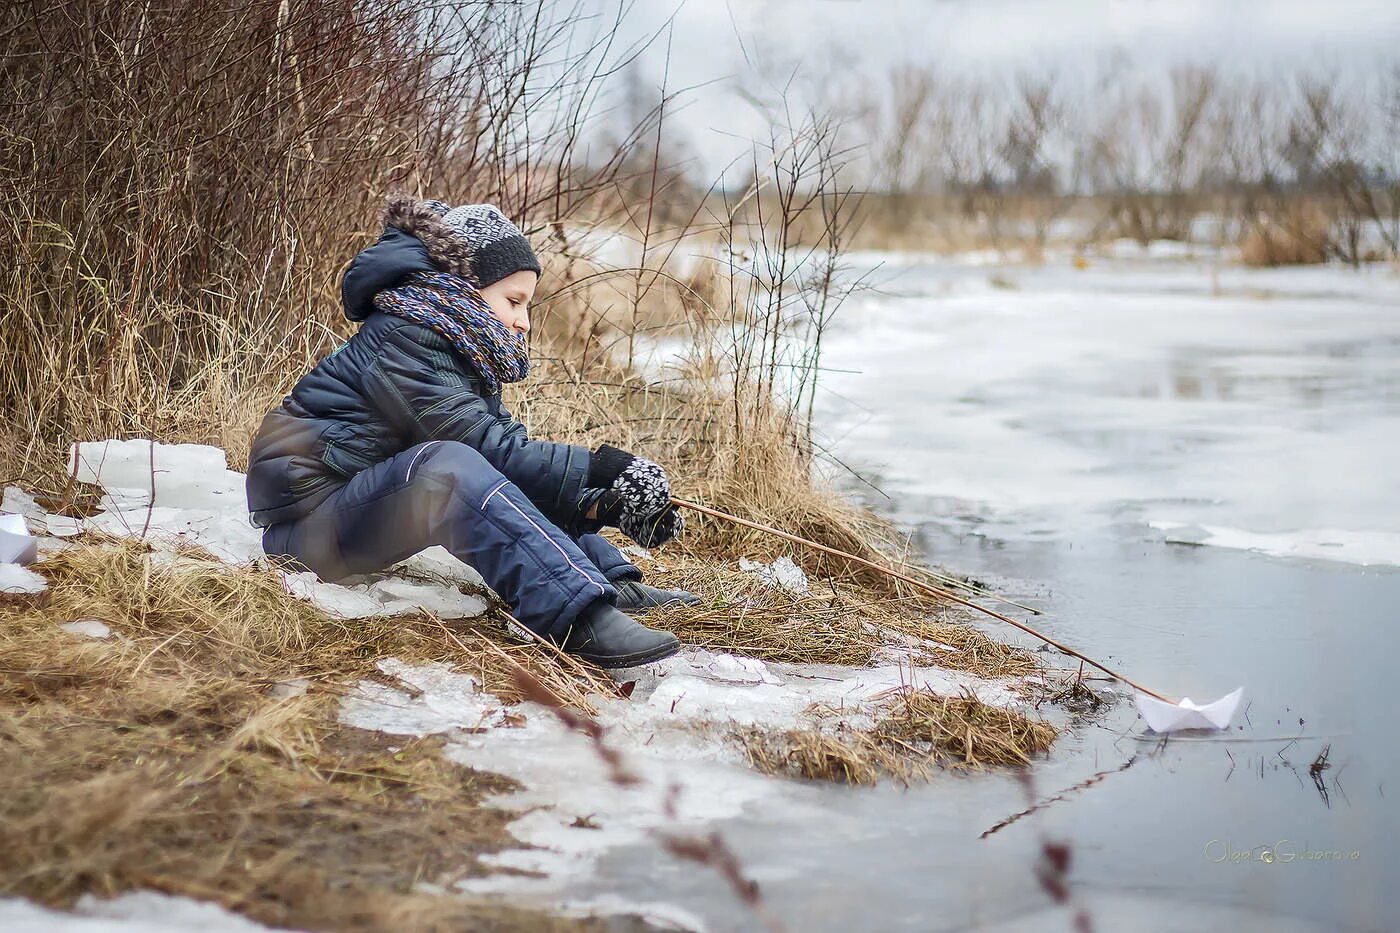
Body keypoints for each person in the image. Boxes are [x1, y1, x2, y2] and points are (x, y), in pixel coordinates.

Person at [245, 194, 698, 667]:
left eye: (529, 305)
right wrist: (604, 468)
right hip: (308, 531)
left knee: (478, 469)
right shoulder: (403, 338)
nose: (524, 320)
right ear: (464, 288)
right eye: (513, 301)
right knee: (450, 469)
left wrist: (602, 503)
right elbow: (483, 449)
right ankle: (574, 615)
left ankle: (608, 581)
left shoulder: (454, 343)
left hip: (356, 507)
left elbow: (508, 464)